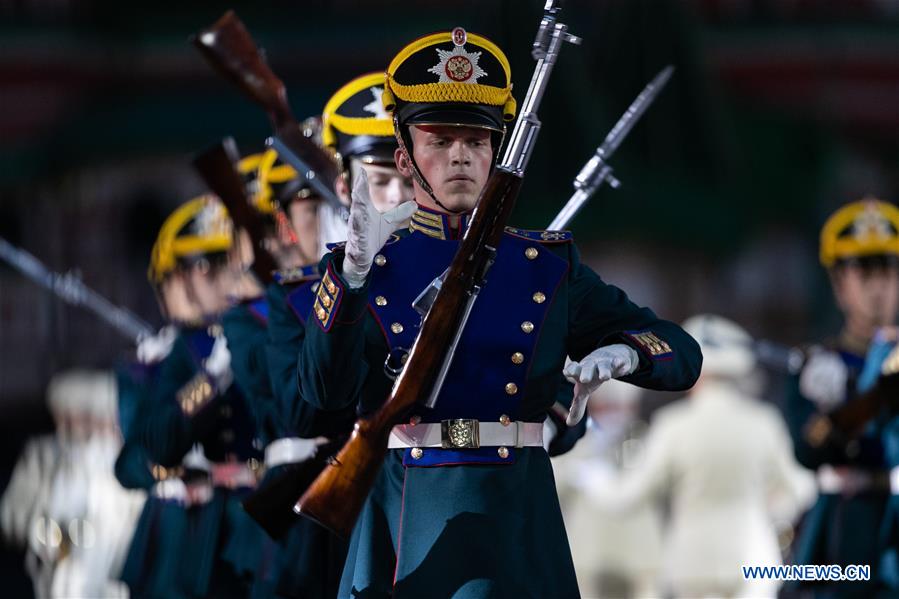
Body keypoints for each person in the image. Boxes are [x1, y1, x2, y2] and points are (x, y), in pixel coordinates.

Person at [296, 28, 702, 598]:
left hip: (515, 517)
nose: (460, 154)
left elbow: (681, 352)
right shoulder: (368, 267)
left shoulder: (544, 264)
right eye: (439, 139)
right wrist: (353, 275)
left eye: (478, 140)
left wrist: (626, 353)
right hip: (411, 515)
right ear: (404, 156)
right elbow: (323, 391)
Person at [580, 315, 815, 598]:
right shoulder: (763, 421)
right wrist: (771, 511)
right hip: (752, 558)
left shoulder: (673, 425)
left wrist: (594, 478)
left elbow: (629, 495)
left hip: (691, 562)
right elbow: (801, 488)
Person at [138, 195, 267, 598]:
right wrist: (211, 381)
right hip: (210, 531)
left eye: (222, 262)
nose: (221, 278)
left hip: (268, 521)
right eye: (204, 268)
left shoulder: (266, 324)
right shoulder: (183, 351)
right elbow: (156, 444)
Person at [785, 198, 899, 597]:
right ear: (837, 283)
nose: (878, 284)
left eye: (888, 268)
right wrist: (839, 414)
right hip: (842, 535)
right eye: (863, 270)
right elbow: (804, 451)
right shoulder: (818, 363)